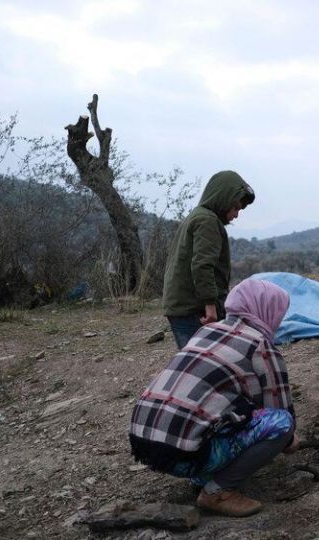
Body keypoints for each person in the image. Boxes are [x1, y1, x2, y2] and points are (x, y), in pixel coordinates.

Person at [129, 279, 298, 517]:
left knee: (236, 409)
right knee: (282, 424)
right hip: (183, 455)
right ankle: (218, 492)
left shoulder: (208, 329)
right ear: (268, 310)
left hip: (145, 443)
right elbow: (278, 409)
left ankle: (203, 475)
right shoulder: (260, 344)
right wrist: (288, 441)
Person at [163, 171, 255, 349]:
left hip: (183, 306)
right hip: (194, 310)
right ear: (223, 199)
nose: (236, 215)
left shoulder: (198, 215)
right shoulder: (207, 221)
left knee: (194, 365)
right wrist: (210, 306)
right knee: (200, 367)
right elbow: (202, 266)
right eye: (235, 208)